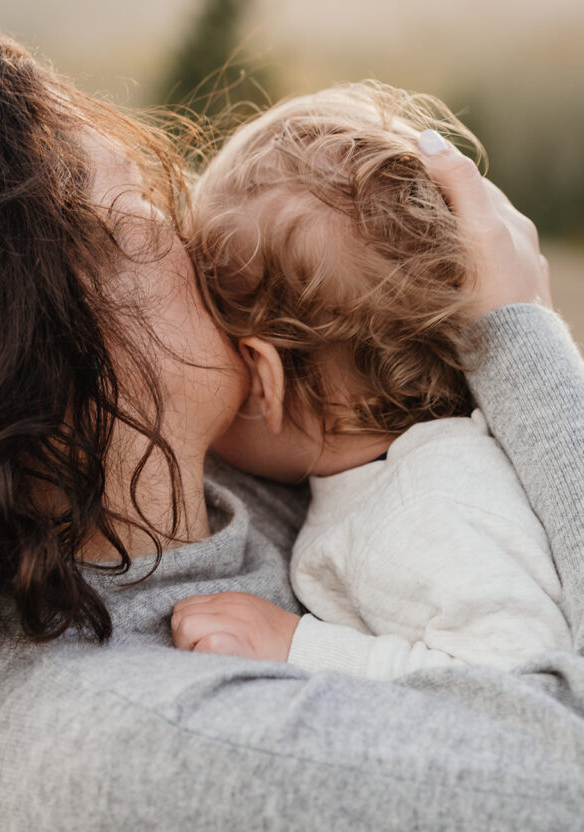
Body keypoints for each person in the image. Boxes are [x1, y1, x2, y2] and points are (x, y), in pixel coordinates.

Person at [0, 19, 582, 831]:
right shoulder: (173, 754)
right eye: (136, 211)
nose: (194, 236)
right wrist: (519, 342)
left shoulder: (236, 493)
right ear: (25, 348)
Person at [174, 83, 572, 678]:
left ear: (263, 379)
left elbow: (528, 686)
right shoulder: (400, 486)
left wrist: (299, 646)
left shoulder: (422, 512)